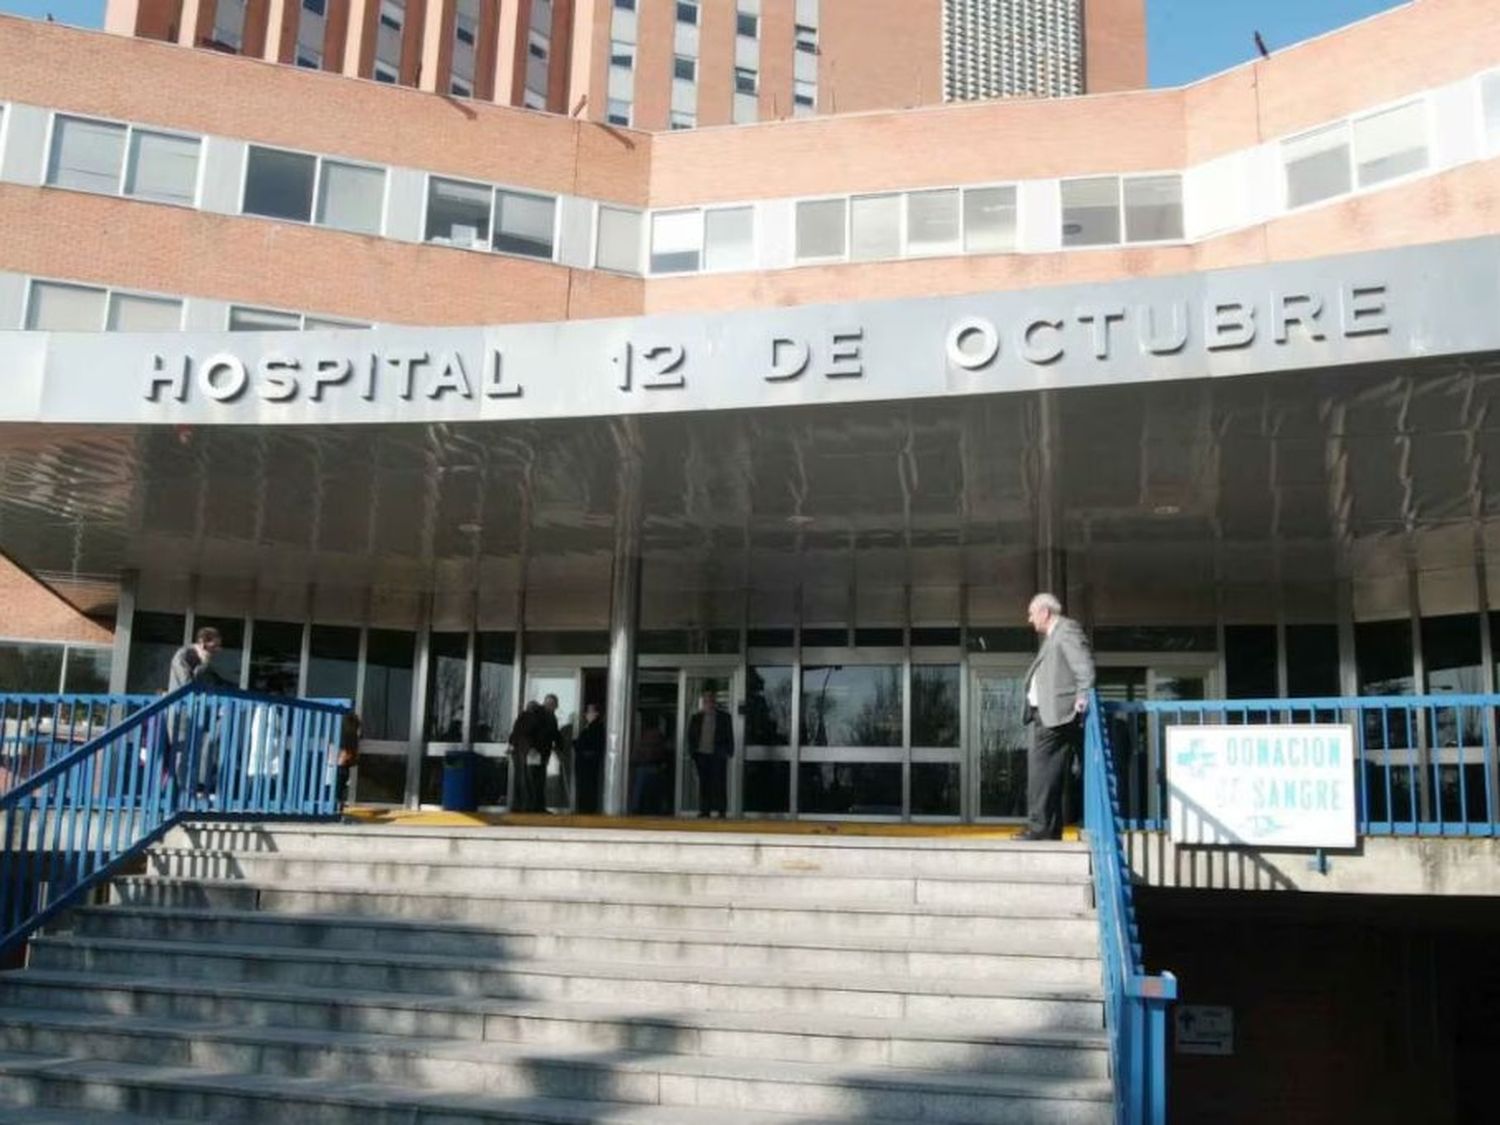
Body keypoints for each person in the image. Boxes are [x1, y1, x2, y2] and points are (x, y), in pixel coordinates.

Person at [1018, 592, 1095, 841]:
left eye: (1032, 613)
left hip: (1058, 715)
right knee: (1048, 774)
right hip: (1048, 715)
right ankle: (1048, 830)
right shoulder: (1054, 635)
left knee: (1041, 773)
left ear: (1045, 612)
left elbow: (1084, 667)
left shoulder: (1066, 630)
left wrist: (1083, 695)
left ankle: (1040, 828)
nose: (1030, 619)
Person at [167, 626, 226, 800]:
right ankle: (181, 795)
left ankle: (194, 792)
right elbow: (187, 684)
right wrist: (202, 665)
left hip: (198, 715)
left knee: (198, 753)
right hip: (181, 713)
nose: (215, 651)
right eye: (213, 647)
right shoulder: (183, 656)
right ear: (202, 643)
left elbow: (216, 683)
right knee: (181, 754)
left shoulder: (205, 663)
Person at [687, 689, 734, 819]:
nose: (709, 703)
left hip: (717, 754)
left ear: (714, 702)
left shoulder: (724, 717)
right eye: (706, 701)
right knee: (704, 783)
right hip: (701, 754)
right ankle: (704, 810)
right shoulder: (696, 718)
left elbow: (729, 735)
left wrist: (729, 751)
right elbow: (691, 736)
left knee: (719, 783)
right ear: (703, 703)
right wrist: (693, 752)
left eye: (711, 701)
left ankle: (721, 811)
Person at [573, 702, 605, 814]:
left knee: (587, 789)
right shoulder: (589, 727)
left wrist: (576, 744)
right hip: (585, 764)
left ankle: (586, 810)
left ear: (596, 713)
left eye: (589, 711)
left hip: (588, 765)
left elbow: (589, 745)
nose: (586, 714)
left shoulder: (596, 728)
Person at [335, 711, 361, 810]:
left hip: (342, 763)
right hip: (343, 763)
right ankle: (338, 803)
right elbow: (347, 750)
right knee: (341, 783)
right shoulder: (350, 734)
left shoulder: (344, 733)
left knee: (340, 783)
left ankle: (338, 802)